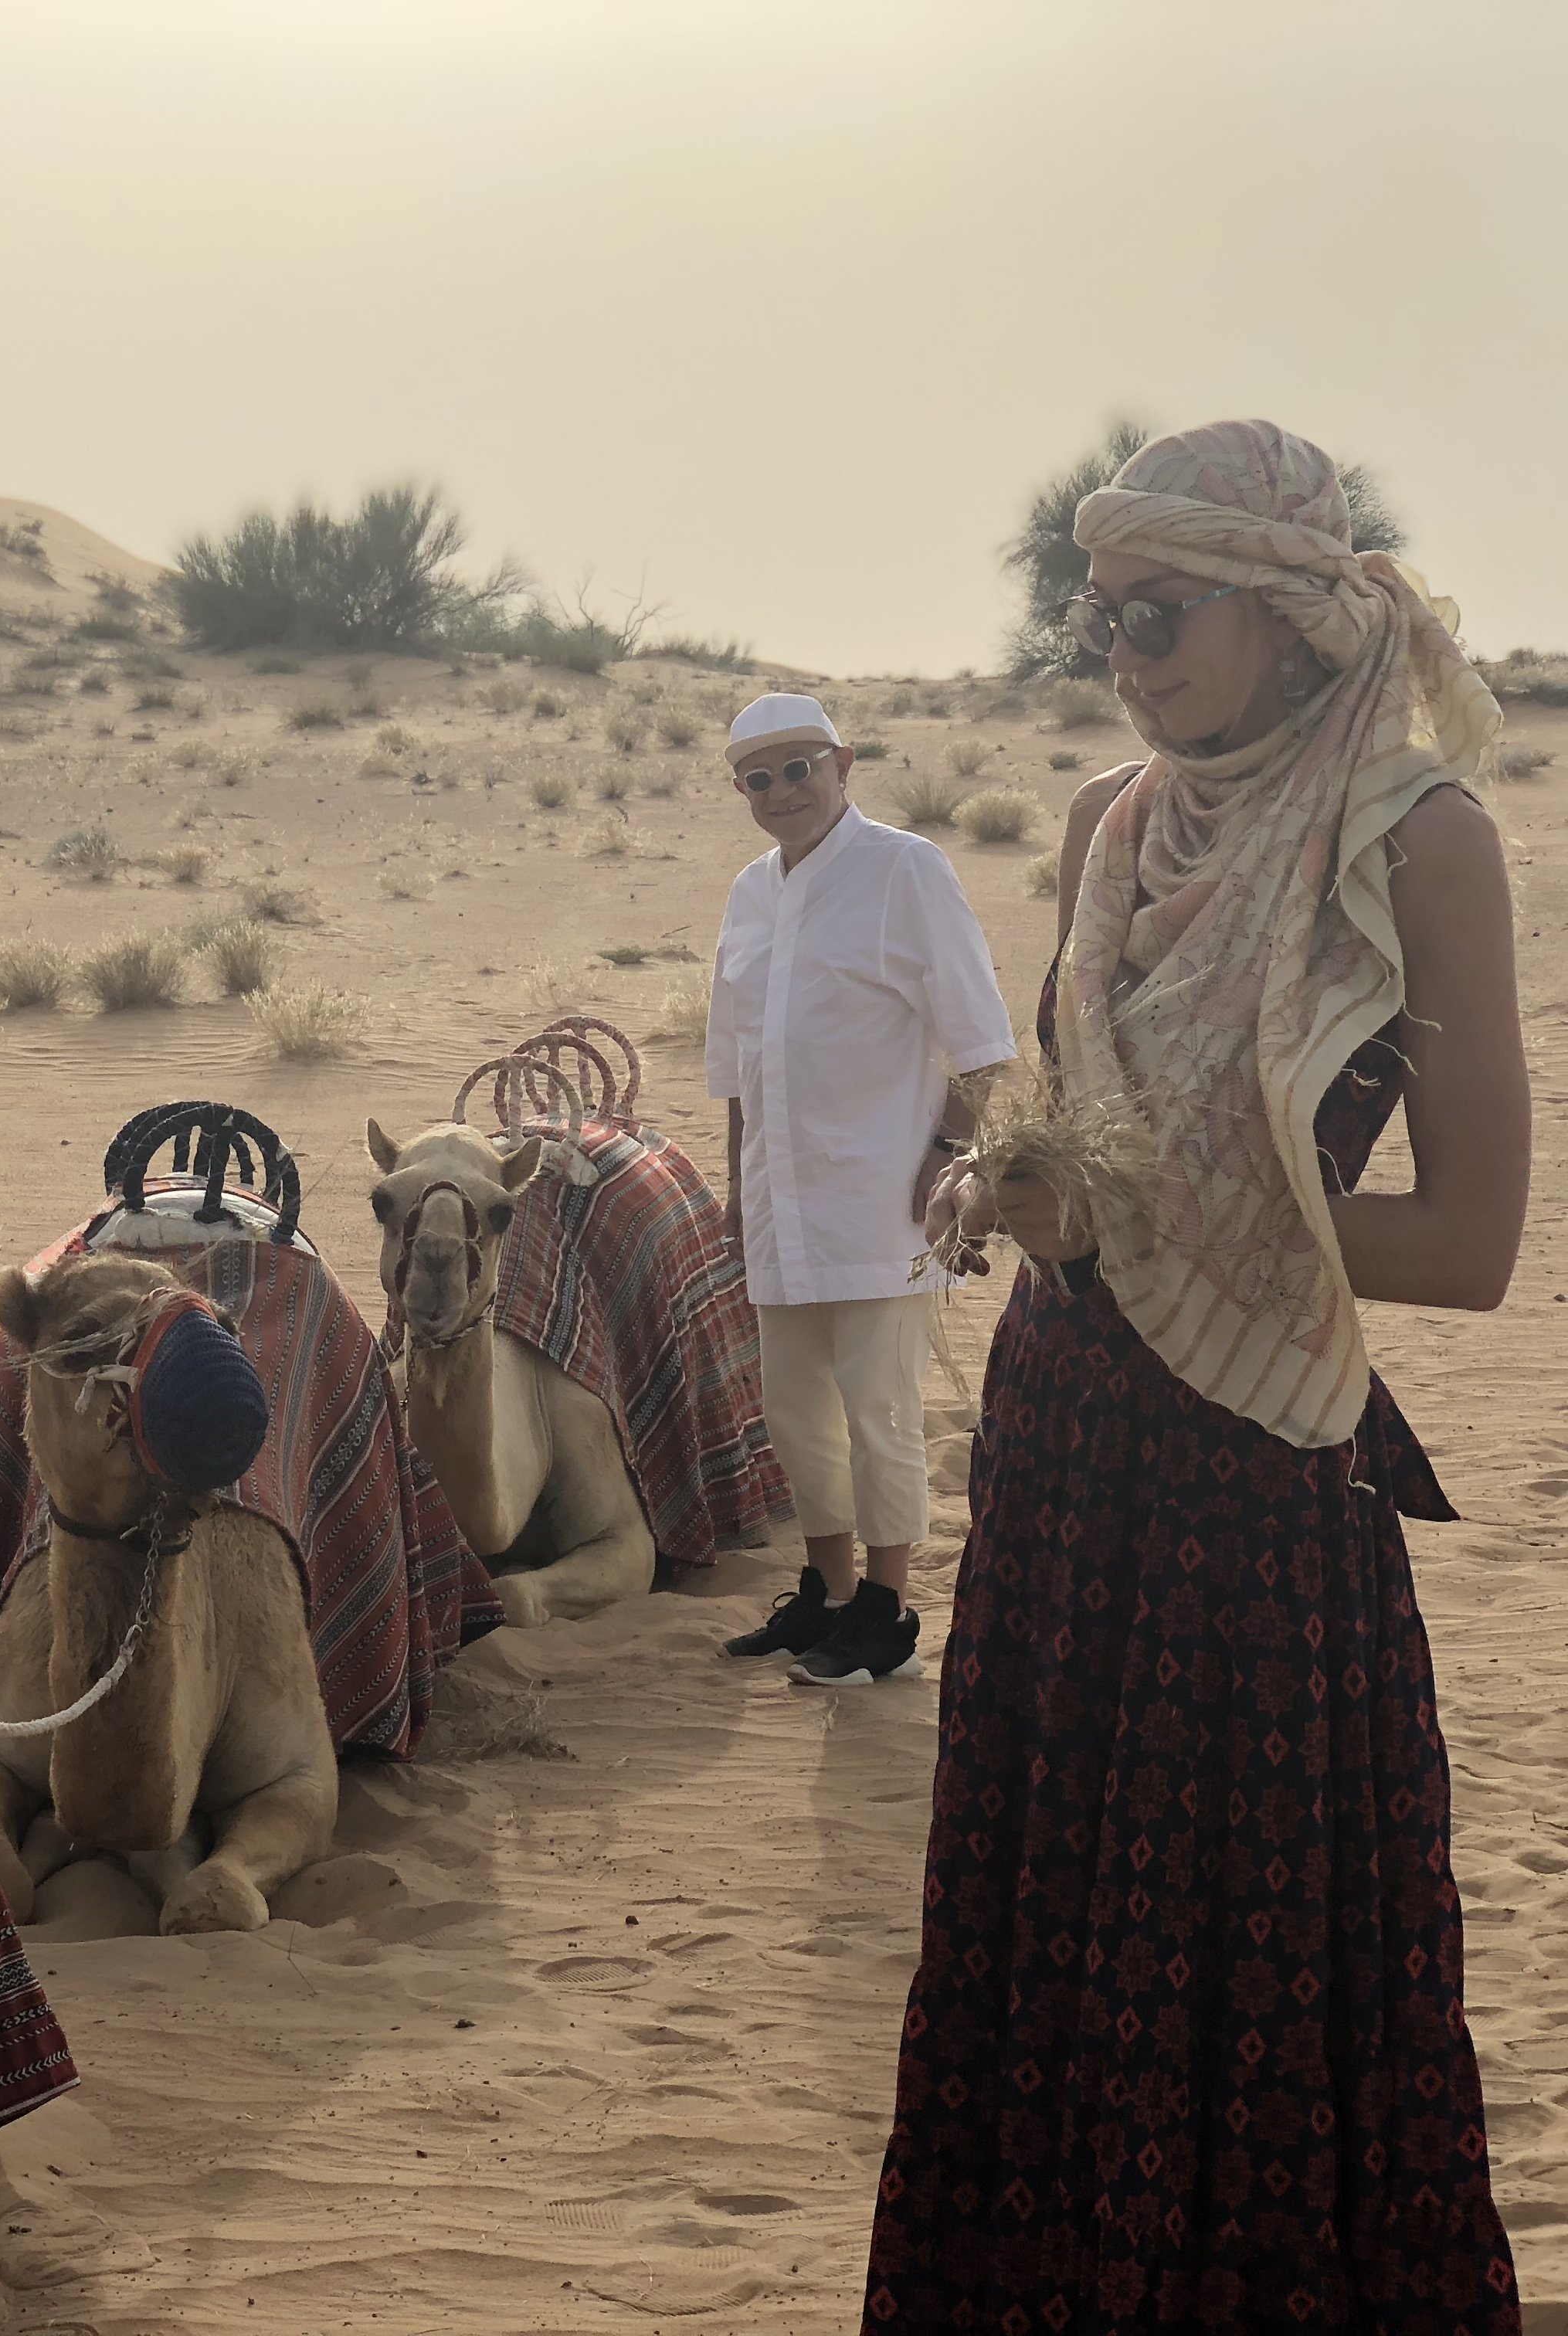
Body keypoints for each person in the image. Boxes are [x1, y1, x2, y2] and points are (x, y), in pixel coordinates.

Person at [867, 423, 1526, 2329]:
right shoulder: (1109, 820)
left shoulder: (1420, 845)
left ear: (1294, 609)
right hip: (1064, 1468)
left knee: (1245, 1973)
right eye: (1100, 617)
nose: (1123, 654)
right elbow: (1075, 1121)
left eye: (1160, 612)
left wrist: (1143, 1233)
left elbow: (1470, 1246)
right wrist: (1005, 1175)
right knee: (1048, 1937)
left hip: (1255, 1492)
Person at [706, 691, 1016, 1686]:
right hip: (778, 1204)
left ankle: (886, 1611)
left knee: (880, 1410)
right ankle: (827, 1595)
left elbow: (979, 1040)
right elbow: (739, 1068)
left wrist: (944, 1156)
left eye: (801, 768)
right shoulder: (750, 894)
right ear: (741, 791)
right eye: (760, 777)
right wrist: (734, 1190)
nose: (783, 791)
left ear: (844, 762)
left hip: (883, 1194)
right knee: (795, 1411)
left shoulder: (905, 871)